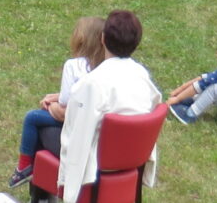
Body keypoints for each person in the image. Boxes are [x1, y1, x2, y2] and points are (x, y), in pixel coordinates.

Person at [49, 10, 163, 203]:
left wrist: (54, 109)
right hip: (132, 160)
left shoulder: (92, 84)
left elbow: (76, 133)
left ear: (102, 39)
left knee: (43, 131)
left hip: (96, 166)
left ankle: (40, 197)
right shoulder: (142, 77)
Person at [8, 16, 106, 188]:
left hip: (75, 128)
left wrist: (51, 104)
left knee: (33, 118)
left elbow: (66, 102)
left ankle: (24, 167)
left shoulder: (73, 65)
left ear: (80, 39)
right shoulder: (104, 68)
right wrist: (56, 97)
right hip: (96, 133)